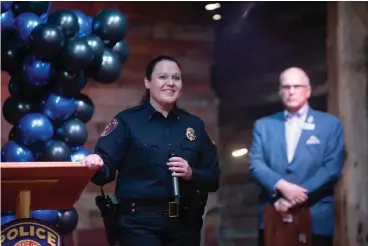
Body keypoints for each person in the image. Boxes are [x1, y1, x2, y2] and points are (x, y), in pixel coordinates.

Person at [81, 55, 220, 246]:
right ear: (147, 82)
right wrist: (95, 164)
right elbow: (104, 172)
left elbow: (213, 178)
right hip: (138, 226)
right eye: (163, 77)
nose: (170, 83)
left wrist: (191, 173)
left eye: (176, 78)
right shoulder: (126, 122)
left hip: (185, 225)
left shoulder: (194, 125)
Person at [249, 67, 344, 246]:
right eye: (286, 87)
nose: (291, 91)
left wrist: (295, 196)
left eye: (296, 86)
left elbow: (331, 168)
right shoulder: (263, 126)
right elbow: (256, 164)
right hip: (274, 215)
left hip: (315, 217)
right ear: (280, 91)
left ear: (307, 91)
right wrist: (282, 186)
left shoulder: (330, 125)